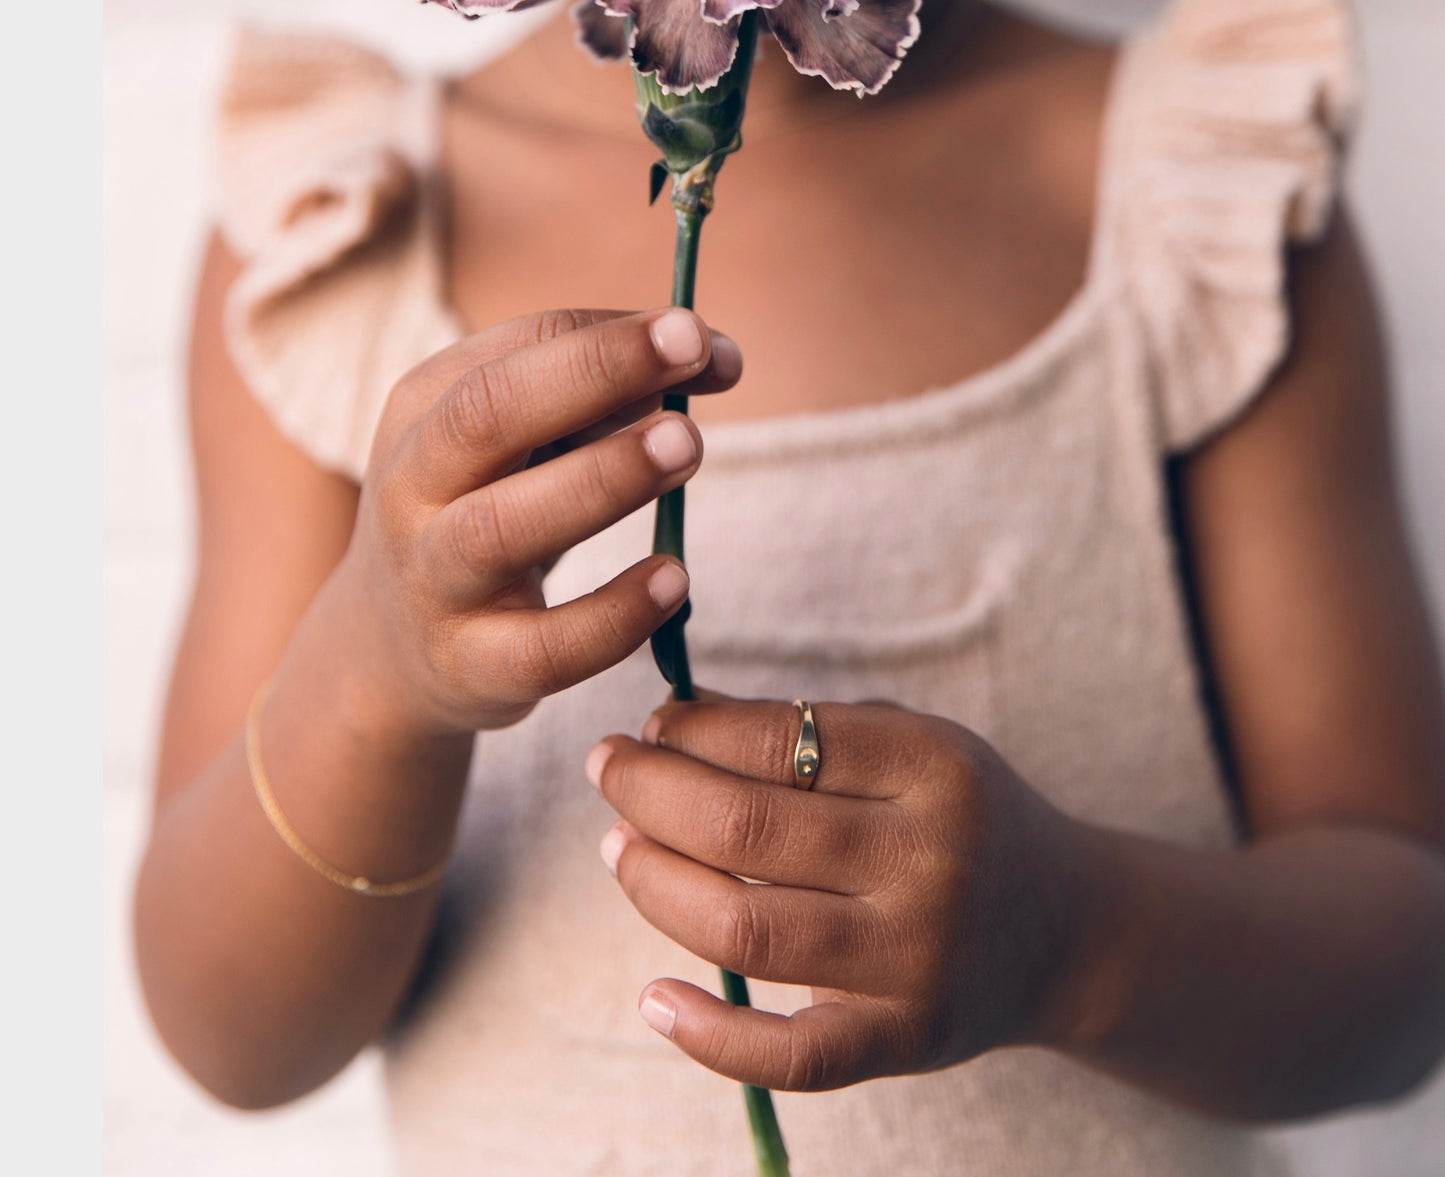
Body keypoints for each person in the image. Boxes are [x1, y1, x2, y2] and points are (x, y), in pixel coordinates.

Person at [133, 1, 1445, 1173]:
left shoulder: (1203, 186)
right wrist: (374, 676)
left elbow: (1405, 966)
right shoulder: (334, 228)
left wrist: (1077, 941)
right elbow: (231, 1031)